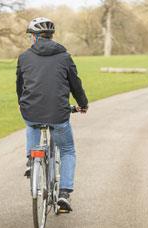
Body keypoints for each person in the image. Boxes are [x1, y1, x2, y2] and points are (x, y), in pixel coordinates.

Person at [16, 17, 88, 212]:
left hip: (31, 110)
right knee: (67, 150)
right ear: (50, 36)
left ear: (34, 37)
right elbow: (75, 84)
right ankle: (64, 194)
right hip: (58, 113)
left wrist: (22, 104)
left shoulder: (24, 57)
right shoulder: (64, 56)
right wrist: (82, 104)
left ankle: (32, 159)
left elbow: (20, 87)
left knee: (31, 124)